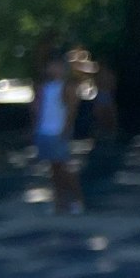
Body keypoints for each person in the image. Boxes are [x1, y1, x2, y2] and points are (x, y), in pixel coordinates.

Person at [32, 57, 84, 215]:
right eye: (50, 66)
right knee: (53, 169)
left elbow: (72, 109)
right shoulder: (45, 87)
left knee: (64, 167)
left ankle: (78, 200)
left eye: (55, 66)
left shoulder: (66, 86)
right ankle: (59, 202)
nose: (52, 69)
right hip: (44, 130)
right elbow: (38, 107)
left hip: (58, 131)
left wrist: (66, 129)